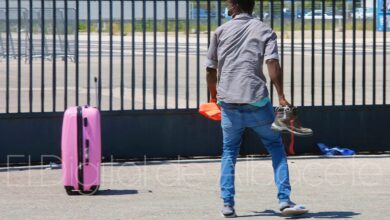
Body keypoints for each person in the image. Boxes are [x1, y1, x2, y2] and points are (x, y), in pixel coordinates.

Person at [205, 0, 309, 217]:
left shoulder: (220, 31)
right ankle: (284, 200)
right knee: (275, 146)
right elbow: (272, 63)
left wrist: (214, 98)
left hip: (229, 103)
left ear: (233, 5)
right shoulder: (264, 30)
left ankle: (228, 204)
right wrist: (281, 96)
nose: (226, 6)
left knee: (229, 151)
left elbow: (210, 69)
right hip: (257, 102)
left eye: (227, 3)